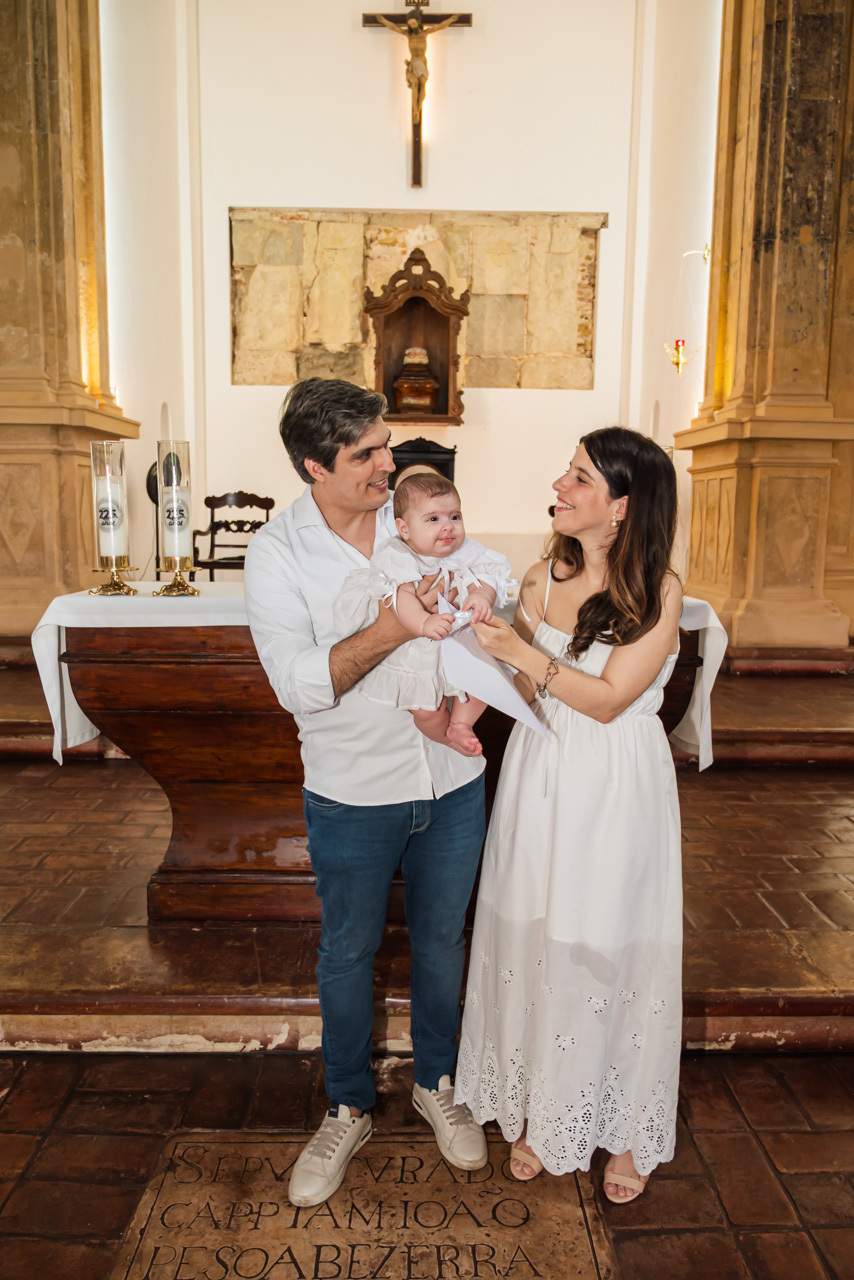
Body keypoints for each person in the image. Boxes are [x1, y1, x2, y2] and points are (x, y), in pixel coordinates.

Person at [244, 378, 488, 1210]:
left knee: (444, 942)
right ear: (316, 467)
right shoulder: (278, 552)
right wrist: (394, 626)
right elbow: (300, 686)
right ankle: (347, 1104)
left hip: (451, 780)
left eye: (387, 444)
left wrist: (482, 599)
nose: (391, 463)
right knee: (347, 953)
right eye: (368, 455)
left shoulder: (418, 510)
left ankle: (440, 1081)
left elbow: (480, 574)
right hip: (352, 789)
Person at [454, 426, 684, 1204]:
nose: (561, 482)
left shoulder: (660, 591)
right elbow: (529, 695)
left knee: (607, 938)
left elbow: (613, 699)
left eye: (580, 476)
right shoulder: (540, 575)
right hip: (542, 768)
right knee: (538, 931)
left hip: (615, 782)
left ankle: (620, 1126)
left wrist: (519, 654)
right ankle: (540, 1108)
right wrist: (478, 638)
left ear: (621, 505)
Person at [333, 471, 512, 755]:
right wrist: (424, 621)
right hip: (417, 646)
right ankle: (444, 736)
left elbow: (489, 574)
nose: (448, 527)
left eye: (455, 517)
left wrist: (481, 595)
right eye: (433, 519)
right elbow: (401, 598)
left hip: (460, 638)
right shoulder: (398, 555)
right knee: (427, 710)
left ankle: (462, 725)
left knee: (484, 681)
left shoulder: (465, 550)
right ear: (404, 529)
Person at [372, 11, 462, 123]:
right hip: (413, 62)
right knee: (414, 84)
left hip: (422, 62)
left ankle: (418, 108)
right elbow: (394, 27)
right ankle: (415, 110)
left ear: (419, 22)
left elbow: (440, 27)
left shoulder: (424, 33)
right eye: (410, 24)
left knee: (422, 84)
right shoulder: (408, 35)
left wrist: (451, 20)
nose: (412, 26)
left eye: (414, 23)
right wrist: (383, 21)